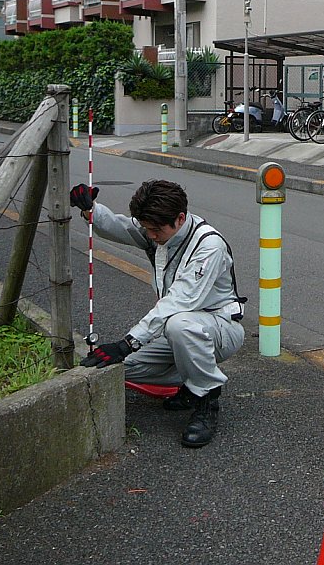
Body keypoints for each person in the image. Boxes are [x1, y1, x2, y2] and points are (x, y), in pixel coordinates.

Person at [70, 179, 246, 449]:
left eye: (155, 230)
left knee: (178, 324)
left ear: (180, 218)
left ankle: (207, 399)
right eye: (145, 228)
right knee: (119, 370)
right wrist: (88, 209)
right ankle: (190, 382)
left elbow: (178, 302)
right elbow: (118, 226)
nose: (150, 235)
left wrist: (127, 343)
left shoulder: (208, 246)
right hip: (178, 329)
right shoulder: (159, 232)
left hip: (219, 329)